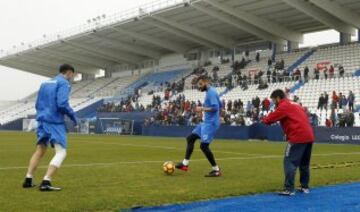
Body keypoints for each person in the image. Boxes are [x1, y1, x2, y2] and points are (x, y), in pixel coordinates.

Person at [22, 64, 78, 191]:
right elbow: (62, 103)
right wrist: (73, 116)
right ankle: (46, 181)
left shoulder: (45, 83)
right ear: (69, 72)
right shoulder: (64, 83)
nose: (72, 77)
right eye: (72, 75)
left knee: (40, 150)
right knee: (61, 152)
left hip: (42, 120)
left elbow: (37, 103)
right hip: (54, 121)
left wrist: (42, 115)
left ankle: (28, 179)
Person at [262, 89, 314, 196]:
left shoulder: (283, 105)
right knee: (304, 163)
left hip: (297, 136)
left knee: (289, 161)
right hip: (309, 136)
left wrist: (264, 119)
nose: (273, 103)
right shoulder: (295, 104)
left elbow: (269, 120)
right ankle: (304, 187)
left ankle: (289, 189)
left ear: (277, 98)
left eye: (273, 100)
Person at [176, 75, 222, 177]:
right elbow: (220, 105)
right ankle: (185, 164)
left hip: (210, 124)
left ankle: (216, 170)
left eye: (200, 84)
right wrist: (219, 116)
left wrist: (202, 109)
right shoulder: (211, 92)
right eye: (198, 85)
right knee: (190, 138)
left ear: (206, 82)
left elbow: (215, 107)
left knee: (204, 146)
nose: (199, 86)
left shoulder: (211, 93)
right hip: (206, 123)